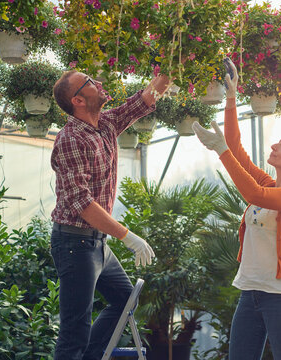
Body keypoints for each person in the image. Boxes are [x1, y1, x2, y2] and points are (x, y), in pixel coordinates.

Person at [192, 59, 281, 360]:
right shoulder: (271, 183)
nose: (275, 145)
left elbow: (253, 193)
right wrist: (232, 97)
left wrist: (220, 150)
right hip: (251, 292)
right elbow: (236, 150)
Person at [50, 70, 170, 360]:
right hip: (74, 244)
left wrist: (171, 66)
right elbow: (82, 202)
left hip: (96, 243)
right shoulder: (70, 139)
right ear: (78, 99)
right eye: (91, 82)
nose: (100, 83)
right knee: (73, 332)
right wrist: (127, 236)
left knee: (125, 300)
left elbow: (141, 101)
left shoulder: (105, 123)